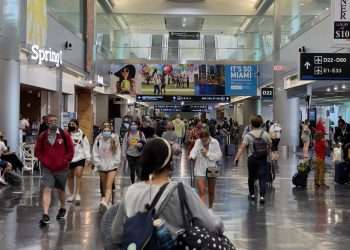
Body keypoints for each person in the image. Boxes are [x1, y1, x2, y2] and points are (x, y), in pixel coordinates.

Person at [111, 138, 223, 246]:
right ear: (170, 163)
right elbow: (211, 225)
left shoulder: (131, 191)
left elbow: (116, 234)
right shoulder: (181, 190)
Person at [34, 114, 74, 227]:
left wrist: (65, 160)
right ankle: (45, 214)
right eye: (51, 121)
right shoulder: (43, 136)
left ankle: (62, 207)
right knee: (47, 189)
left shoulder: (64, 134)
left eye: (56, 121)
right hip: (47, 168)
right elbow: (37, 151)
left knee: (60, 190)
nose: (54, 123)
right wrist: (44, 160)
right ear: (47, 123)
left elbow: (71, 149)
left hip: (62, 168)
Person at [234, 115, 271, 204]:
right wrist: (267, 153)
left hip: (252, 159)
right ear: (261, 124)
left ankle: (252, 194)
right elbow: (270, 145)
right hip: (263, 158)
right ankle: (262, 196)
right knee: (262, 178)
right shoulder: (265, 134)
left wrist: (236, 158)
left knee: (251, 177)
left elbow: (241, 148)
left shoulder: (248, 135)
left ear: (251, 124)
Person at [189, 130, 222, 208]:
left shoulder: (215, 142)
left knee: (211, 191)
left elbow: (219, 156)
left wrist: (207, 154)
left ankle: (210, 207)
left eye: (205, 140)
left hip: (212, 168)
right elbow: (194, 150)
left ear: (208, 137)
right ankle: (202, 212)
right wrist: (191, 156)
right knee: (202, 191)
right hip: (199, 168)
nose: (203, 141)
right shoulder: (198, 142)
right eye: (202, 140)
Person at [93, 122, 121, 212]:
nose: (106, 132)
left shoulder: (114, 139)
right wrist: (98, 163)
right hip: (102, 166)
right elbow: (95, 152)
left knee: (109, 185)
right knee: (104, 186)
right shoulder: (98, 139)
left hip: (112, 166)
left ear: (111, 131)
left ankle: (104, 203)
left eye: (108, 130)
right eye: (105, 130)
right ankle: (107, 202)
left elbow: (118, 153)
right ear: (102, 131)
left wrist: (115, 163)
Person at [66, 119, 91, 205]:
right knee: (70, 176)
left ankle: (77, 194)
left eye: (73, 124)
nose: (71, 125)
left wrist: (88, 158)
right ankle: (71, 194)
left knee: (79, 174)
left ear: (77, 125)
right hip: (69, 158)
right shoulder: (66, 135)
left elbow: (86, 147)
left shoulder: (82, 135)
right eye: (70, 124)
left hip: (80, 157)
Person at [314, 119, 329, 189]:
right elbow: (327, 146)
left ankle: (316, 182)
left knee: (317, 170)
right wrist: (326, 142)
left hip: (316, 157)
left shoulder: (316, 141)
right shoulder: (322, 141)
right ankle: (322, 183)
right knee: (322, 171)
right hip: (321, 158)